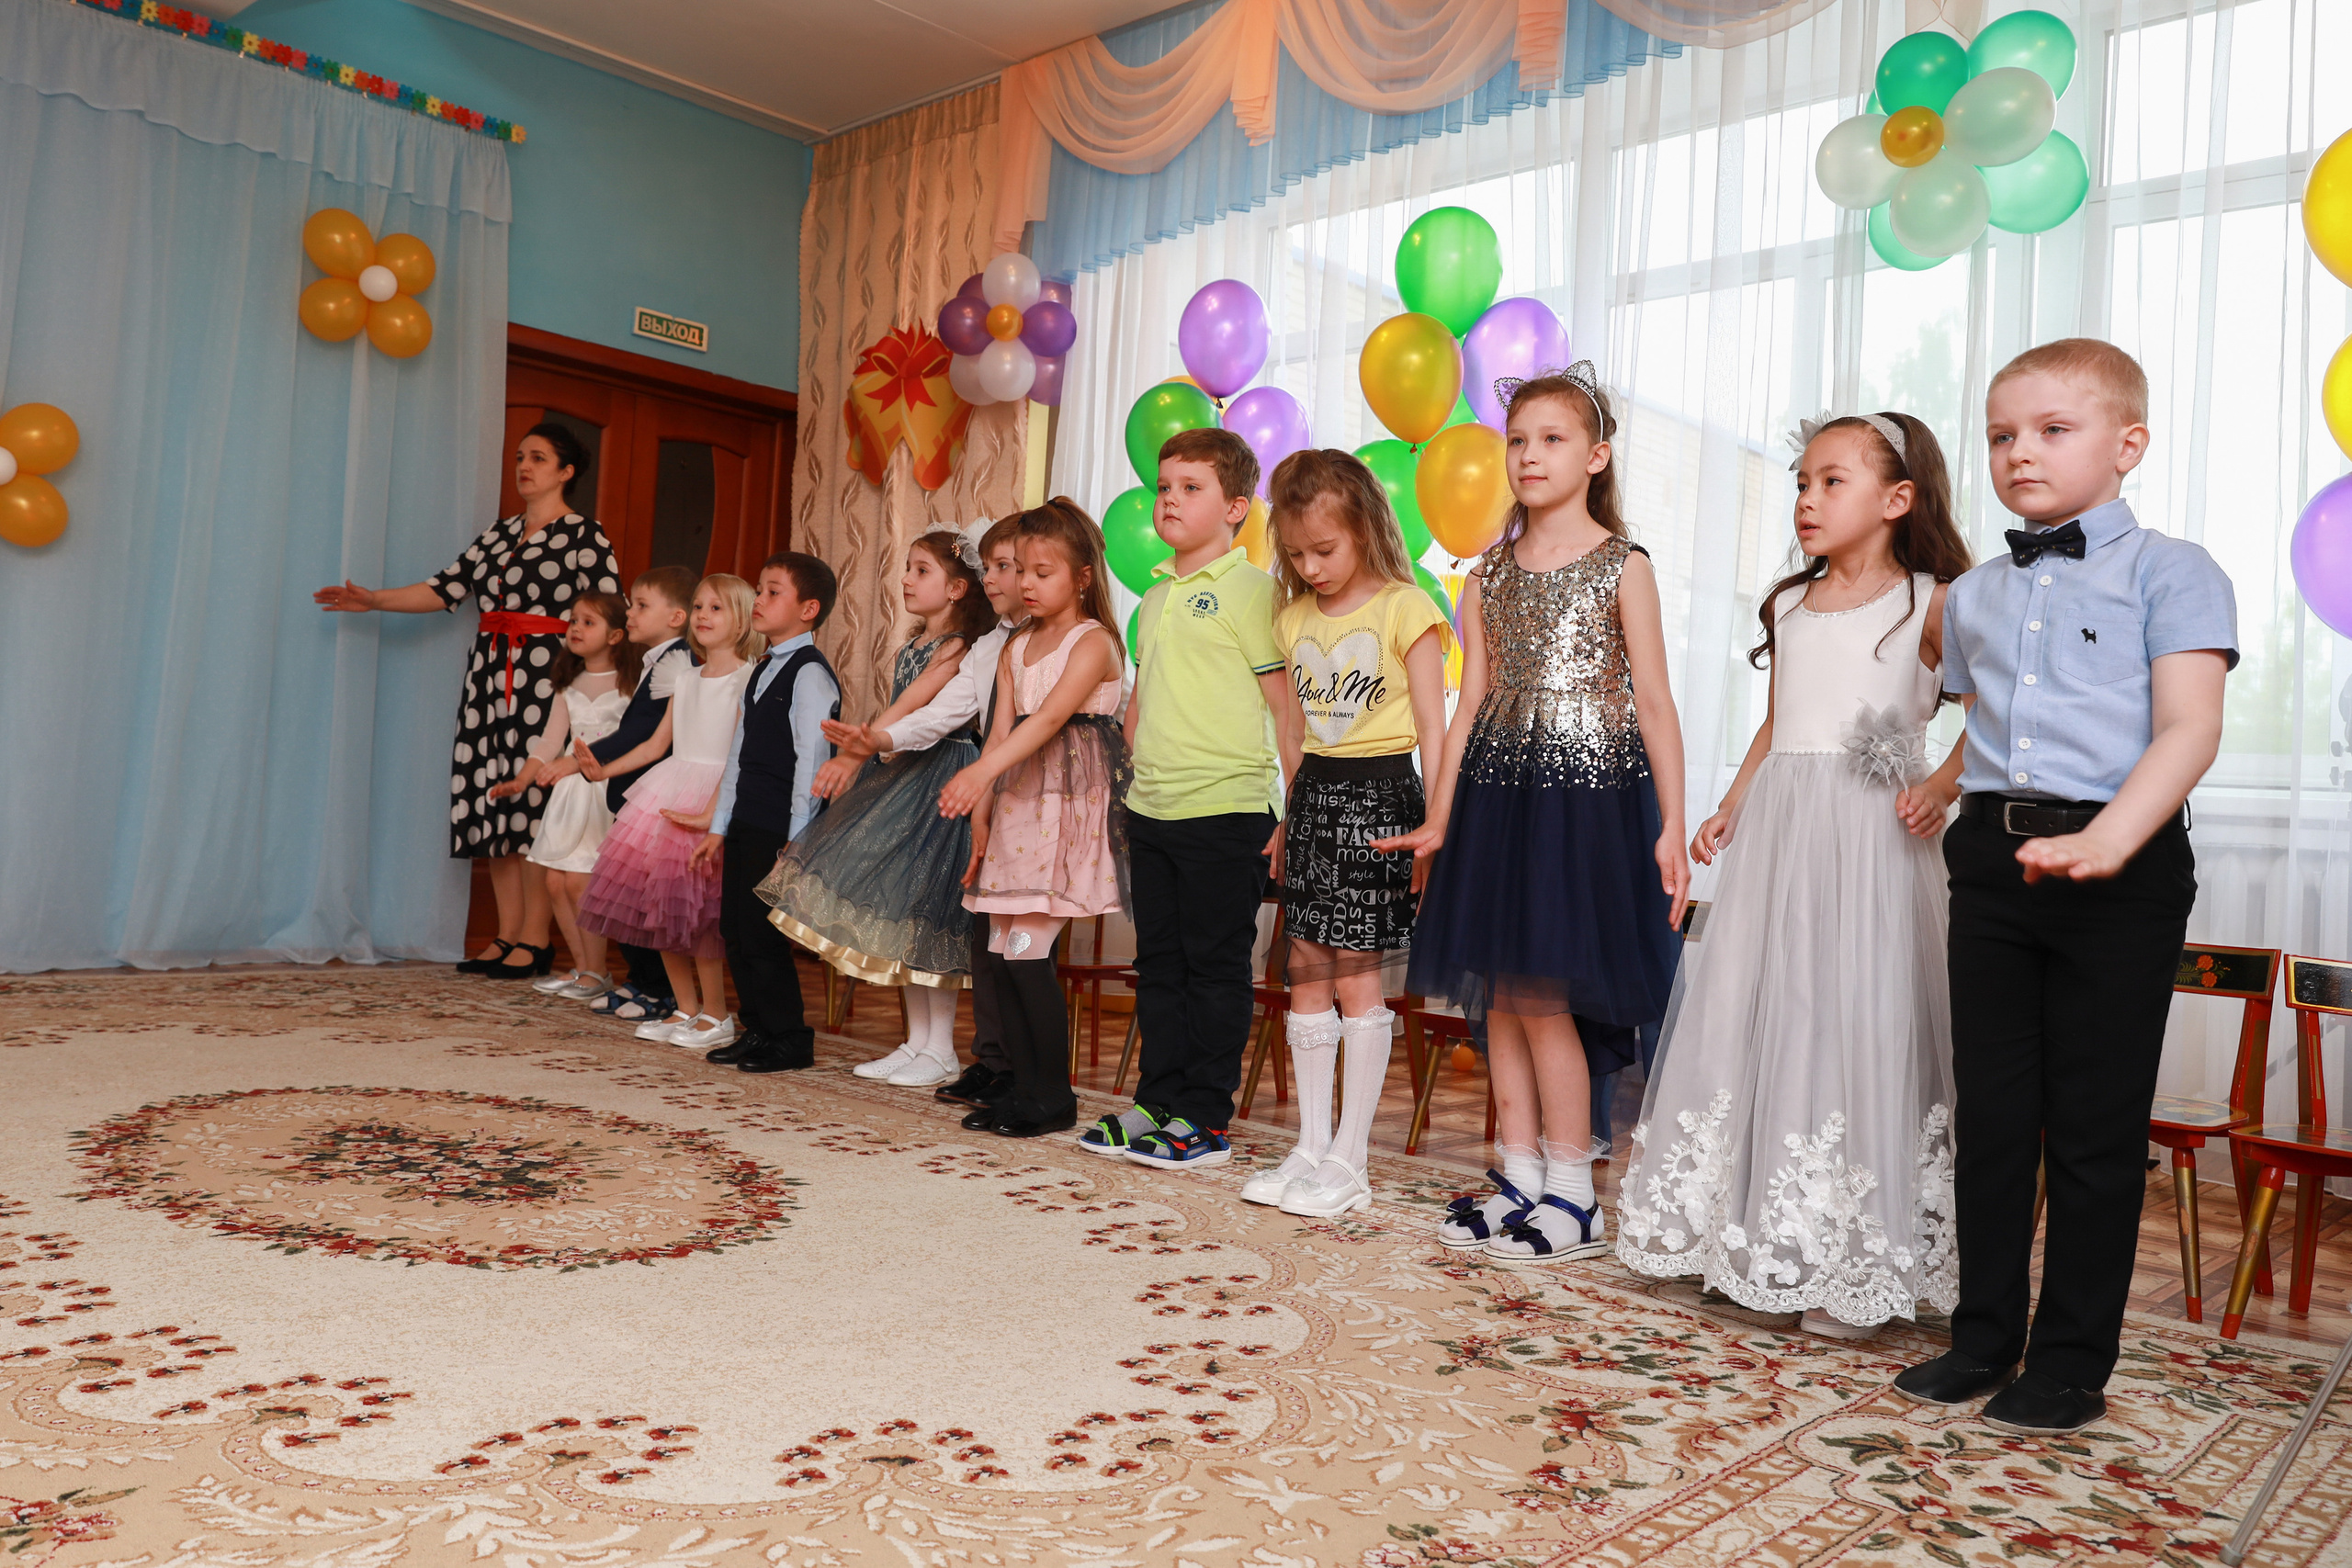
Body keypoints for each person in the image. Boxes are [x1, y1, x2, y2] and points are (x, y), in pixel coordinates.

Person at [1892, 339, 2235, 1436]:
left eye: (2051, 430)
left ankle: (2071, 1363)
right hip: (1992, 863)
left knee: (2090, 1125)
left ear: (2126, 444)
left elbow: (2188, 728)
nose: (2018, 452)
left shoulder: (2172, 570)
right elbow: (1979, 726)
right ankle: (1981, 1336)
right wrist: (1941, 797)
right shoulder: (1977, 594)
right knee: (1992, 1114)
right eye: (2001, 435)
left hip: (2118, 867)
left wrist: (2109, 840)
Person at [1615, 412, 1973, 1339]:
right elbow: (1781, 721)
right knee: (1766, 1011)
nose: (1807, 501)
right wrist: (1732, 803)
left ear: (1896, 500)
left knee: (1857, 1020)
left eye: (1830, 482)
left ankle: (1858, 1259)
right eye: (1801, 484)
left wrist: (1938, 783)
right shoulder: (1788, 602)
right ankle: (1753, 1240)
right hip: (1784, 830)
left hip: (1871, 837)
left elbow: (1999, 713)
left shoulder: (1930, 602)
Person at [1385, 363, 1689, 1263]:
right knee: (1502, 1000)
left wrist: (1674, 825)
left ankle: (1575, 1195)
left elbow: (1658, 705)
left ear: (1594, 457)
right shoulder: (1485, 578)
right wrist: (1440, 817)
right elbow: (1468, 702)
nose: (1528, 455)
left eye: (1551, 439)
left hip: (1586, 809)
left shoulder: (1621, 567)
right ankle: (1519, 1178)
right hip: (1498, 803)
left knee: (1545, 999)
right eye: (1516, 440)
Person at [313, 423, 619, 979]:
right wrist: (374, 599)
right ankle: (506, 935)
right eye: (520, 456)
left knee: (531, 808)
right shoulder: (499, 534)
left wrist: (591, 679)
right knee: (493, 801)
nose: (524, 466)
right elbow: (446, 587)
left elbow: (606, 613)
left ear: (566, 471)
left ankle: (535, 939)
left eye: (539, 458)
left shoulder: (585, 536)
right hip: (487, 678)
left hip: (545, 675)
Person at [1240, 449, 1448, 1219]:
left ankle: (1351, 1160)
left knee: (1356, 969)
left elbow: (1434, 725)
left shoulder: (1406, 606)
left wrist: (1435, 822)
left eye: (1324, 549)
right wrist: (1291, 819)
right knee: (1305, 963)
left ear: (1363, 526)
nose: (1310, 566)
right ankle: (1311, 1143)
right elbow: (1293, 734)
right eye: (1295, 553)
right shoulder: (1292, 619)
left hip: (1383, 793)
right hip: (1320, 794)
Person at [1085, 429, 1296, 1170]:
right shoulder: (1155, 592)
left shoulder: (1254, 591)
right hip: (1156, 809)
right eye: (1164, 486)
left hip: (1228, 810)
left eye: (1191, 487)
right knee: (1161, 964)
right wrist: (1129, 785)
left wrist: (1292, 809)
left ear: (1236, 507)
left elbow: (1286, 708)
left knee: (1215, 968)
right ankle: (1157, 1101)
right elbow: (1143, 698)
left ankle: (1205, 1118)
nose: (1170, 498)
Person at [758, 532, 991, 1086]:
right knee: (902, 912)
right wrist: (863, 748)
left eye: (921, 571)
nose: (907, 579)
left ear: (958, 588)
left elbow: (919, 705)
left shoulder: (959, 646)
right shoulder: (914, 641)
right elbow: (898, 708)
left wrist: (860, 747)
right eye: (907, 569)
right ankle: (917, 1043)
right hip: (905, 774)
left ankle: (942, 1049)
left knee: (933, 913)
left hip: (943, 778)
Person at [820, 515, 1026, 1113]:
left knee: (957, 927)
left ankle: (973, 1056)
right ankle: (929, 1045)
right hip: (933, 772)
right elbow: (933, 711)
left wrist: (869, 742)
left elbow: (945, 713)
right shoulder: (989, 645)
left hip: (972, 780)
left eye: (1005, 567)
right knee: (916, 912)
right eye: (988, 566)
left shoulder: (982, 642)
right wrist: (874, 741)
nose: (994, 578)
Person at [942, 500, 1130, 1138]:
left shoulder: (1094, 641)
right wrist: (981, 816)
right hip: (1018, 809)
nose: (1025, 583)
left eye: (1041, 571)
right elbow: (1000, 729)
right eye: (1020, 569)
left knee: (1027, 954)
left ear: (1080, 576)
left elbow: (1049, 719)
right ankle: (1021, 1087)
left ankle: (1052, 1096)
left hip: (1065, 815)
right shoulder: (1016, 645)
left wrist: (977, 775)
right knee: (1001, 953)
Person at [574, 574, 762, 1049]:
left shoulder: (749, 676)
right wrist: (604, 771)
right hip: (669, 789)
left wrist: (717, 809)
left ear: (742, 618)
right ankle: (685, 1007)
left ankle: (717, 1014)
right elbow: (659, 744)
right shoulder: (685, 676)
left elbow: (741, 753)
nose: (703, 615)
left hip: (712, 794)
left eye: (716, 608)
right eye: (698, 606)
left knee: (698, 914)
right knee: (658, 906)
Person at [689, 553, 840, 1076]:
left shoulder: (810, 675)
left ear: (808, 609)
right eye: (759, 589)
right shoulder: (760, 671)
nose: (759, 600)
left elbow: (812, 763)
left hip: (780, 825)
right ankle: (757, 1029)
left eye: (773, 591)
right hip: (747, 820)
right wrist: (718, 826)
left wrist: (797, 841)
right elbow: (738, 756)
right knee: (735, 927)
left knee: (762, 933)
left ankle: (789, 1037)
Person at [485, 592, 643, 1002]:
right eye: (573, 620)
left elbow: (632, 740)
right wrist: (522, 780)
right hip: (570, 794)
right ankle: (586, 969)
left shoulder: (632, 682)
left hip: (604, 788)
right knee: (556, 882)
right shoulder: (569, 684)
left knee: (581, 883)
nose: (575, 628)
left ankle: (598, 971)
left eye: (588, 622)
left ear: (616, 636)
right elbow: (550, 740)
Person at [582, 567, 699, 1024]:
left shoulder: (681, 661)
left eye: (640, 606)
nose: (629, 613)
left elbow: (648, 735)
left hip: (659, 794)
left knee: (648, 897)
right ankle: (641, 979)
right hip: (636, 793)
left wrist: (585, 763)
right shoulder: (657, 660)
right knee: (629, 894)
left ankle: (660, 989)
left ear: (676, 617)